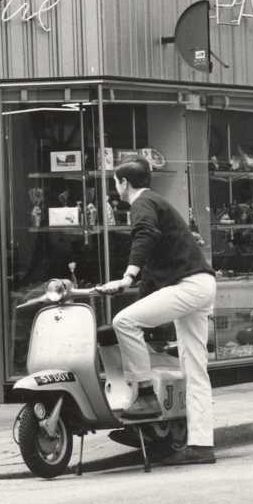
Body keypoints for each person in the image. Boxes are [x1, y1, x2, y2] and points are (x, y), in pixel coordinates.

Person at [96, 157, 218, 465]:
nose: (115, 187)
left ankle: (146, 394)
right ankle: (201, 446)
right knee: (195, 369)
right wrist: (133, 289)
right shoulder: (157, 202)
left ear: (123, 183)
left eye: (115, 181)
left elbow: (145, 235)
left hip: (188, 287)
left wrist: (126, 277)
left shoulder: (142, 203)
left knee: (123, 321)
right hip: (200, 284)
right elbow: (152, 276)